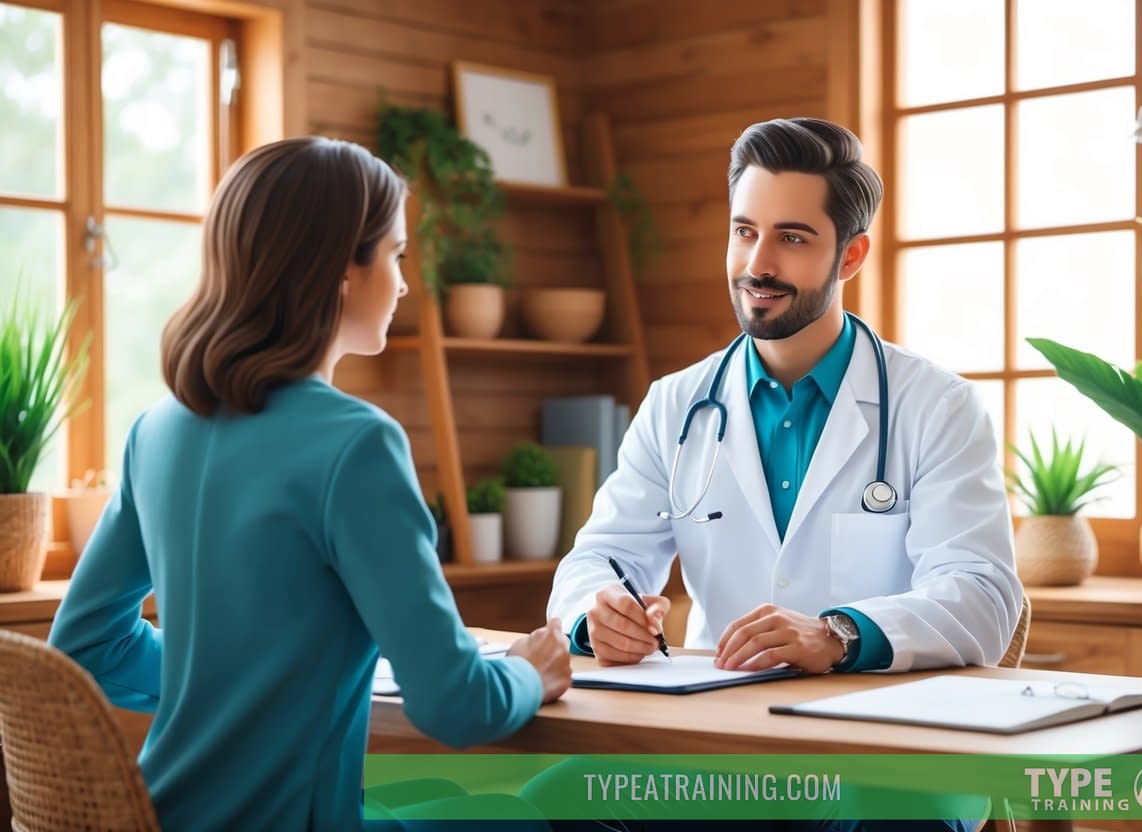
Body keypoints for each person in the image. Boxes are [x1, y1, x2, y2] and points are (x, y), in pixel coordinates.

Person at [49, 136, 571, 832]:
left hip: (169, 818)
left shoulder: (157, 428)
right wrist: (531, 672)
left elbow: (87, 644)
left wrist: (238, 677)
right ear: (340, 272)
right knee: (580, 803)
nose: (406, 282)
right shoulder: (357, 443)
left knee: (477, 798)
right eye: (396, 254)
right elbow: (455, 705)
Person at [549, 115, 1022, 679]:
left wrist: (838, 634)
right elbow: (599, 559)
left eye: (791, 238)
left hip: (872, 729)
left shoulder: (936, 407)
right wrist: (597, 615)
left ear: (850, 256)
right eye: (744, 231)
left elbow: (983, 598)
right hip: (710, 725)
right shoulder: (676, 404)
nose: (757, 265)